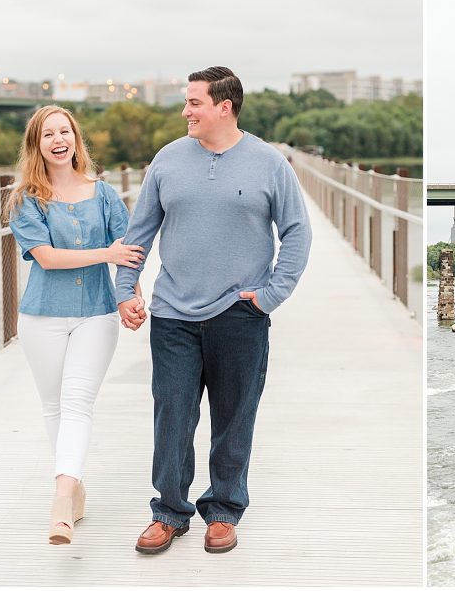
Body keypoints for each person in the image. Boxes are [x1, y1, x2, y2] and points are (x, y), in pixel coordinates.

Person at [115, 66, 312, 555]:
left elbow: (297, 233)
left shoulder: (268, 163)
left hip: (238, 314)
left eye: (194, 103)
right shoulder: (167, 160)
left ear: (223, 107)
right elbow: (138, 235)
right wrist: (125, 290)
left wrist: (270, 295)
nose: (185, 111)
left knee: (233, 417)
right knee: (173, 415)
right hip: (173, 314)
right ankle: (169, 512)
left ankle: (223, 509)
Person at [7, 105, 145, 545]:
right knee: (53, 407)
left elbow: (129, 251)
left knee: (77, 402)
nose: (58, 139)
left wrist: (130, 296)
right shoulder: (26, 199)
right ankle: (75, 485)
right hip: (40, 315)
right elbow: (46, 257)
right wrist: (106, 254)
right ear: (37, 145)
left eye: (64, 131)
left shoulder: (103, 194)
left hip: (96, 314)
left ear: (75, 139)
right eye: (48, 134)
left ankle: (61, 500)